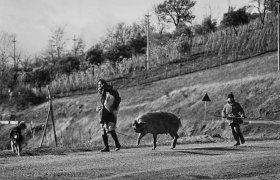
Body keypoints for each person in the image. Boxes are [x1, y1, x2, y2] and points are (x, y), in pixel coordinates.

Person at [96, 79, 121, 152]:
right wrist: (98, 108)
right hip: (103, 112)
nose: (99, 86)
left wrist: (113, 107)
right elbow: (101, 103)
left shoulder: (111, 91)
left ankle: (117, 144)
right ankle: (106, 147)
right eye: (98, 85)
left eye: (101, 84)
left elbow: (118, 99)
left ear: (104, 84)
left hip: (110, 112)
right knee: (103, 130)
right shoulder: (100, 92)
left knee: (110, 129)